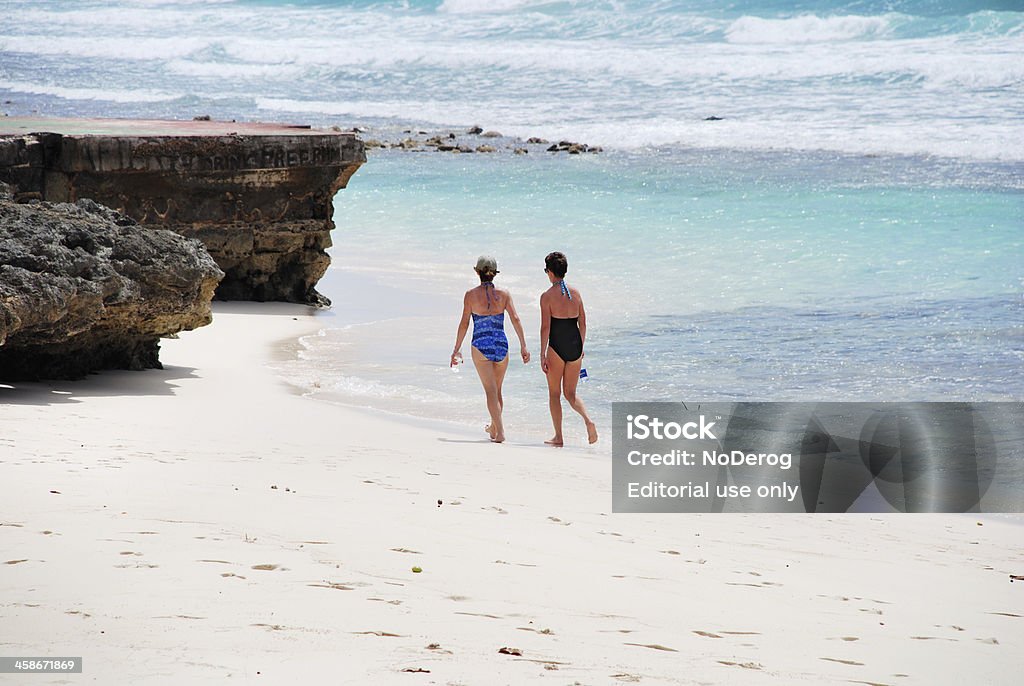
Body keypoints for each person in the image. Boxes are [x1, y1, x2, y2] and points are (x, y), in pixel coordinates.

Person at [451, 255, 530, 443]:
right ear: (495, 274)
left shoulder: (470, 295)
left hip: (481, 345)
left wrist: (457, 348)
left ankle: (500, 432)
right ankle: (493, 429)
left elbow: (464, 323)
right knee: (497, 390)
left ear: (477, 271)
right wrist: (523, 346)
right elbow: (516, 319)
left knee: (490, 391)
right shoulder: (504, 294)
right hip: (501, 345)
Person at [540, 251, 597, 445]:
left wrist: (542, 353)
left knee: (555, 394)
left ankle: (559, 436)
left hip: (556, 347)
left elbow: (546, 327)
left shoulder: (547, 296)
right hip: (575, 347)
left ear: (550, 272)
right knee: (571, 394)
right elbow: (583, 322)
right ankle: (588, 421)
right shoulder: (576, 293)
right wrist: (581, 346)